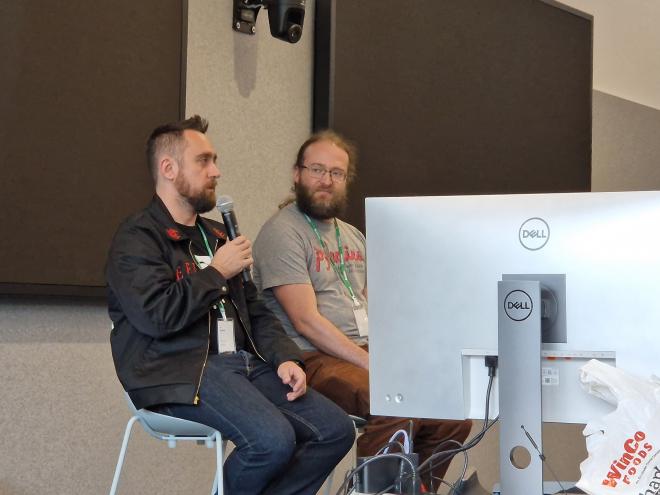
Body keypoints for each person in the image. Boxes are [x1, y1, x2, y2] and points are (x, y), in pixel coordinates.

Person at [106, 116, 355, 495]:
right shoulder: (138, 238)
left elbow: (256, 311)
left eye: (215, 160)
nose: (216, 171)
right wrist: (217, 271)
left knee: (335, 431)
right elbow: (156, 316)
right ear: (168, 168)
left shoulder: (216, 235)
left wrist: (286, 357)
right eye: (203, 161)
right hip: (175, 368)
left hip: (239, 365)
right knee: (272, 441)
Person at [252, 130, 473, 490]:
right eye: (317, 170)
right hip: (310, 357)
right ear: (297, 174)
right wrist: (368, 361)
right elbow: (305, 320)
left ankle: (413, 489)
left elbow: (372, 304)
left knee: (452, 412)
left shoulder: (352, 235)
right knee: (392, 400)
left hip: (362, 352)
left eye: (336, 173)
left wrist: (404, 352)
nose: (326, 180)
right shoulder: (283, 233)